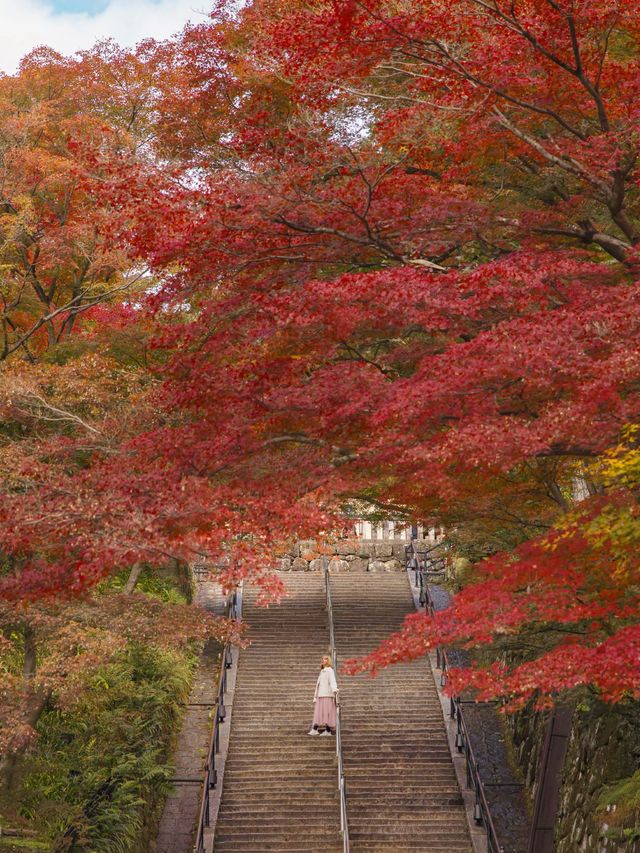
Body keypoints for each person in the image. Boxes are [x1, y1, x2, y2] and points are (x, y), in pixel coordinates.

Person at [309, 654, 338, 736]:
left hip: (327, 695)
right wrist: (316, 695)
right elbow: (318, 685)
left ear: (328, 661)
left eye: (325, 659)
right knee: (320, 712)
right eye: (322, 659)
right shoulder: (322, 671)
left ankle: (325, 730)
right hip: (321, 694)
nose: (323, 660)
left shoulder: (329, 670)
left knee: (326, 712)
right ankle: (317, 729)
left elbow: (332, 681)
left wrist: (335, 689)